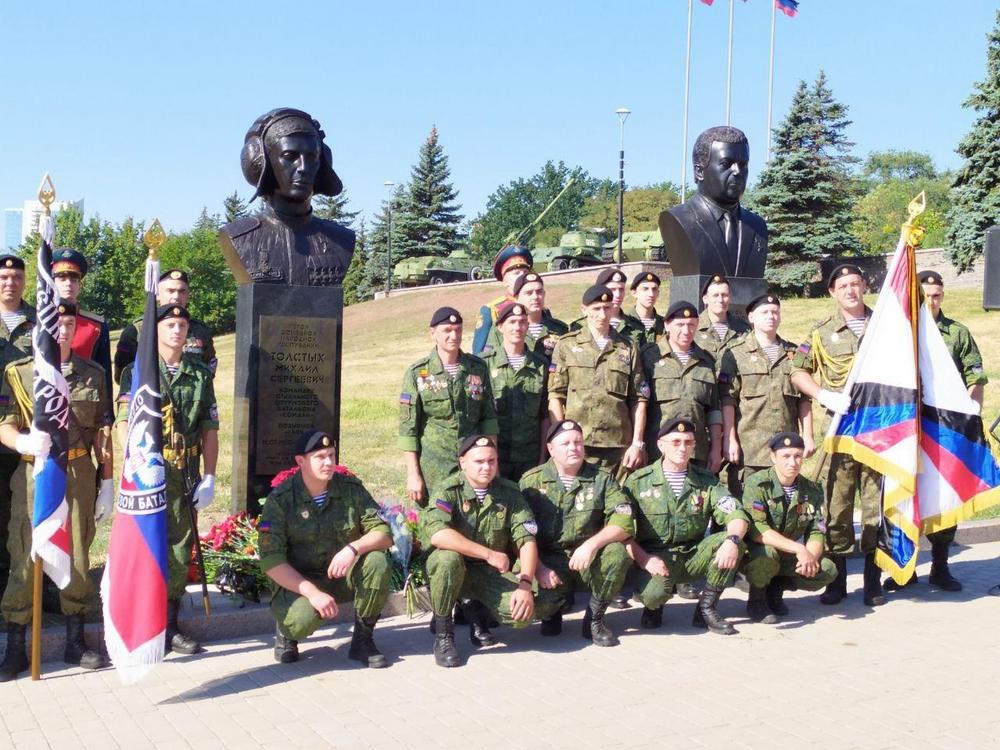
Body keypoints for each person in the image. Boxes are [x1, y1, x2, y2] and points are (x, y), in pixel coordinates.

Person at [0, 301, 114, 680]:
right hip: (35, 473)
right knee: (25, 552)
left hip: (79, 471)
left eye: (69, 323)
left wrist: (108, 480)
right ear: (41, 328)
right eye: (55, 323)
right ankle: (16, 646)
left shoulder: (93, 374)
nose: (62, 330)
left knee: (78, 550)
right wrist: (21, 443)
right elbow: (4, 423)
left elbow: (102, 434)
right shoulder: (18, 373)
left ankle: (74, 641)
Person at [117, 304, 219, 654]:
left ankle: (169, 625)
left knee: (179, 547)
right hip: (148, 470)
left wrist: (210, 476)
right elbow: (122, 422)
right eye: (170, 324)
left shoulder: (200, 373)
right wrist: (130, 466)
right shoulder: (137, 370)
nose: (177, 330)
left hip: (185, 471)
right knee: (146, 542)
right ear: (155, 329)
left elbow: (209, 428)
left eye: (182, 325)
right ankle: (140, 621)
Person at [883, 271, 988, 592]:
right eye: (925, 296)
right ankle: (905, 567)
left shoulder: (957, 333)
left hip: (945, 429)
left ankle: (940, 567)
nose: (931, 301)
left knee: (943, 494)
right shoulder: (900, 333)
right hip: (907, 429)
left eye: (937, 295)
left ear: (943, 296)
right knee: (906, 492)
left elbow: (976, 377)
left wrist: (971, 414)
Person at [790, 263, 884, 607]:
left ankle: (874, 581)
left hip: (878, 430)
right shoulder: (821, 332)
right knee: (836, 508)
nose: (850, 290)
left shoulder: (886, 327)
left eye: (855, 284)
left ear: (864, 287)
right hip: (840, 432)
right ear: (832, 292)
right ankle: (837, 580)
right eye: (842, 285)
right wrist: (822, 395)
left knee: (876, 507)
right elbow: (797, 371)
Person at [422, 435, 559, 667]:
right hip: (455, 570)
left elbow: (525, 538)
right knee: (446, 560)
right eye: (479, 462)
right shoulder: (447, 491)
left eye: (492, 461)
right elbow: (438, 534)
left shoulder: (509, 493)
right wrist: (488, 554)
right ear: (463, 462)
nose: (487, 467)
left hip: (489, 574)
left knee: (523, 614)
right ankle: (444, 635)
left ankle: (478, 607)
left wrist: (526, 583)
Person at [258, 430, 393, 667]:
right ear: (301, 462)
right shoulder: (280, 500)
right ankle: (287, 632)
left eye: (332, 454)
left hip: (340, 576)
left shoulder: (350, 489)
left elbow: (384, 533)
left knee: (377, 562)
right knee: (301, 621)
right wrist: (313, 593)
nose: (329, 462)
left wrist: (353, 548)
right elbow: (271, 560)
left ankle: (363, 640)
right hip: (300, 583)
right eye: (320, 457)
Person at [624, 419, 751, 635]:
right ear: (660, 445)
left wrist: (732, 540)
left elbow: (736, 514)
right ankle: (653, 607)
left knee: (733, 541)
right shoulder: (638, 482)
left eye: (688, 442)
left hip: (693, 555)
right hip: (656, 558)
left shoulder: (706, 481)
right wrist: (644, 559)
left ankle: (706, 608)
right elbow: (622, 531)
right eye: (675, 442)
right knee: (653, 595)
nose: (682, 448)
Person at [519, 420, 633, 647]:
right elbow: (519, 534)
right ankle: (551, 613)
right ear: (551, 448)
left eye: (578, 442)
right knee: (535, 605)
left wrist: (591, 545)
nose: (574, 448)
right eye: (566, 443)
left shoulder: (602, 479)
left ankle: (595, 618)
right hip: (548, 563)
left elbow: (623, 521)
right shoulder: (530, 482)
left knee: (616, 554)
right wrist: (539, 568)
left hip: (586, 559)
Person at [219, 108, 355, 286]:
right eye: (289, 156)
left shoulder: (341, 240)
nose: (303, 168)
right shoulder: (239, 237)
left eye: (312, 157)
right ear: (262, 163)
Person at [399, 307, 498, 506]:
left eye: (458, 330)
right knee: (435, 521)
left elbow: (488, 420)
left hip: (473, 462)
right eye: (447, 330)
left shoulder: (477, 368)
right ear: (433, 333)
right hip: (435, 465)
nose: (454, 336)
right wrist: (413, 474)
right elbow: (408, 429)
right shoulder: (418, 373)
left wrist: (494, 462)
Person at [548, 284, 647, 478]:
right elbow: (555, 395)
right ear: (583, 310)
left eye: (607, 307)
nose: (602, 314)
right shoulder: (566, 345)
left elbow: (640, 399)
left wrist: (637, 443)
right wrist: (560, 438)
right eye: (596, 309)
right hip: (579, 443)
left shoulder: (628, 347)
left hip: (618, 447)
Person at [719, 292, 813, 490]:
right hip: (750, 451)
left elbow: (804, 399)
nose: (771, 316)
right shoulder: (735, 353)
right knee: (748, 510)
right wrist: (729, 439)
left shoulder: (794, 354)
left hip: (786, 452)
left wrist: (809, 435)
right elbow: (728, 400)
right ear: (751, 317)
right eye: (765, 312)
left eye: (775, 312)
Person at [741, 432, 837, 624]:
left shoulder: (811, 489)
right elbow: (758, 529)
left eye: (797, 456)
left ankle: (776, 589)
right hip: (757, 553)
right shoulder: (757, 484)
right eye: (786, 456)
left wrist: (810, 556)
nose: (792, 462)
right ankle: (757, 600)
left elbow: (817, 530)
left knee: (827, 569)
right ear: (773, 457)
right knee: (767, 554)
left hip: (786, 555)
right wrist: (799, 549)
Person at [658, 125, 768, 279]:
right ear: (699, 171)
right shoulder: (679, 219)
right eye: (726, 163)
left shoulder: (757, 226)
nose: (737, 171)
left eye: (743, 164)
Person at [641, 300, 722, 470]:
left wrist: (716, 448)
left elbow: (714, 410)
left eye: (692, 325)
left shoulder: (706, 361)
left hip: (696, 451)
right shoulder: (650, 357)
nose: (686, 331)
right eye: (680, 324)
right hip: (658, 451)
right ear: (667, 325)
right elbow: (639, 404)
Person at [481, 301, 548, 481]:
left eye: (522, 322)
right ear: (500, 327)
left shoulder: (541, 365)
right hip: (495, 457)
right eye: (512, 322)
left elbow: (544, 416)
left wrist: (543, 458)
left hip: (530, 459)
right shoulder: (483, 364)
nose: (517, 327)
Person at [114, 268, 217, 384]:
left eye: (182, 291)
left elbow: (209, 368)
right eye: (171, 291)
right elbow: (122, 376)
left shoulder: (200, 331)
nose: (176, 296)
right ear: (157, 295)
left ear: (188, 295)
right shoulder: (136, 331)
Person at [0, 253, 34, 593]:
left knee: (21, 509)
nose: (10, 283)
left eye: (16, 277)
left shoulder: (39, 322)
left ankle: (23, 582)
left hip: (22, 431)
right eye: (4, 277)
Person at [51, 248, 112, 396]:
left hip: (84, 399)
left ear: (80, 286)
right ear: (51, 282)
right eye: (62, 278)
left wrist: (108, 416)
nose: (68, 284)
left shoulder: (96, 326)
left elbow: (105, 374)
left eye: (74, 279)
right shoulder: (36, 322)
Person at [482, 271, 567, 362]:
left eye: (539, 292)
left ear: (544, 295)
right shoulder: (502, 329)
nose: (535, 297)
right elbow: (489, 360)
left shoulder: (560, 329)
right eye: (529, 293)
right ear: (516, 298)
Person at [471, 245, 533, 355]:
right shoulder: (491, 311)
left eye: (525, 272)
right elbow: (478, 353)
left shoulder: (540, 310)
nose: (522, 277)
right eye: (516, 273)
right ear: (505, 280)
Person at [569, 267, 643, 341]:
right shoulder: (579, 326)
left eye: (621, 289)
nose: (618, 294)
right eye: (612, 289)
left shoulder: (636, 325)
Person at [696, 274, 750, 361]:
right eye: (715, 295)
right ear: (705, 299)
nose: (720, 300)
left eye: (724, 295)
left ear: (730, 298)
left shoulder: (743, 329)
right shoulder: (693, 327)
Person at [622, 271, 665, 347]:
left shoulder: (665, 325)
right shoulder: (623, 322)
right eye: (645, 289)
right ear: (634, 293)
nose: (651, 294)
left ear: (658, 293)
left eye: (654, 289)